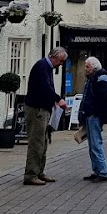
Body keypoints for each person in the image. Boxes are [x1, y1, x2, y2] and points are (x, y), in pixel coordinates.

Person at [23, 48, 68, 185]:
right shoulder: (41, 66)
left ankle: (39, 172)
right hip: (37, 110)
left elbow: (47, 88)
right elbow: (45, 87)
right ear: (53, 57)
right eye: (60, 61)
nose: (61, 64)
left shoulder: (46, 67)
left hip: (44, 109)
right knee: (36, 143)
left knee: (43, 143)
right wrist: (58, 99)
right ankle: (31, 175)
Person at [78, 56, 107, 183]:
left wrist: (97, 113)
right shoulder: (92, 79)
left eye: (87, 67)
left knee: (96, 144)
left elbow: (104, 99)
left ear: (94, 67)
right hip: (89, 115)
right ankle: (97, 170)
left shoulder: (101, 78)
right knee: (92, 145)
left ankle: (103, 172)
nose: (85, 69)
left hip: (94, 116)